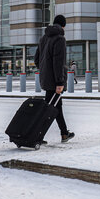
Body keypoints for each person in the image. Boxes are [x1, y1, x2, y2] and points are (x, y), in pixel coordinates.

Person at [34, 15, 74, 143]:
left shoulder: (43, 38)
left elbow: (36, 60)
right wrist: (59, 82)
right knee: (49, 110)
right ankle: (37, 136)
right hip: (55, 81)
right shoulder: (60, 39)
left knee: (56, 107)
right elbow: (58, 62)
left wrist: (45, 70)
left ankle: (64, 133)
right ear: (63, 26)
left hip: (45, 79)